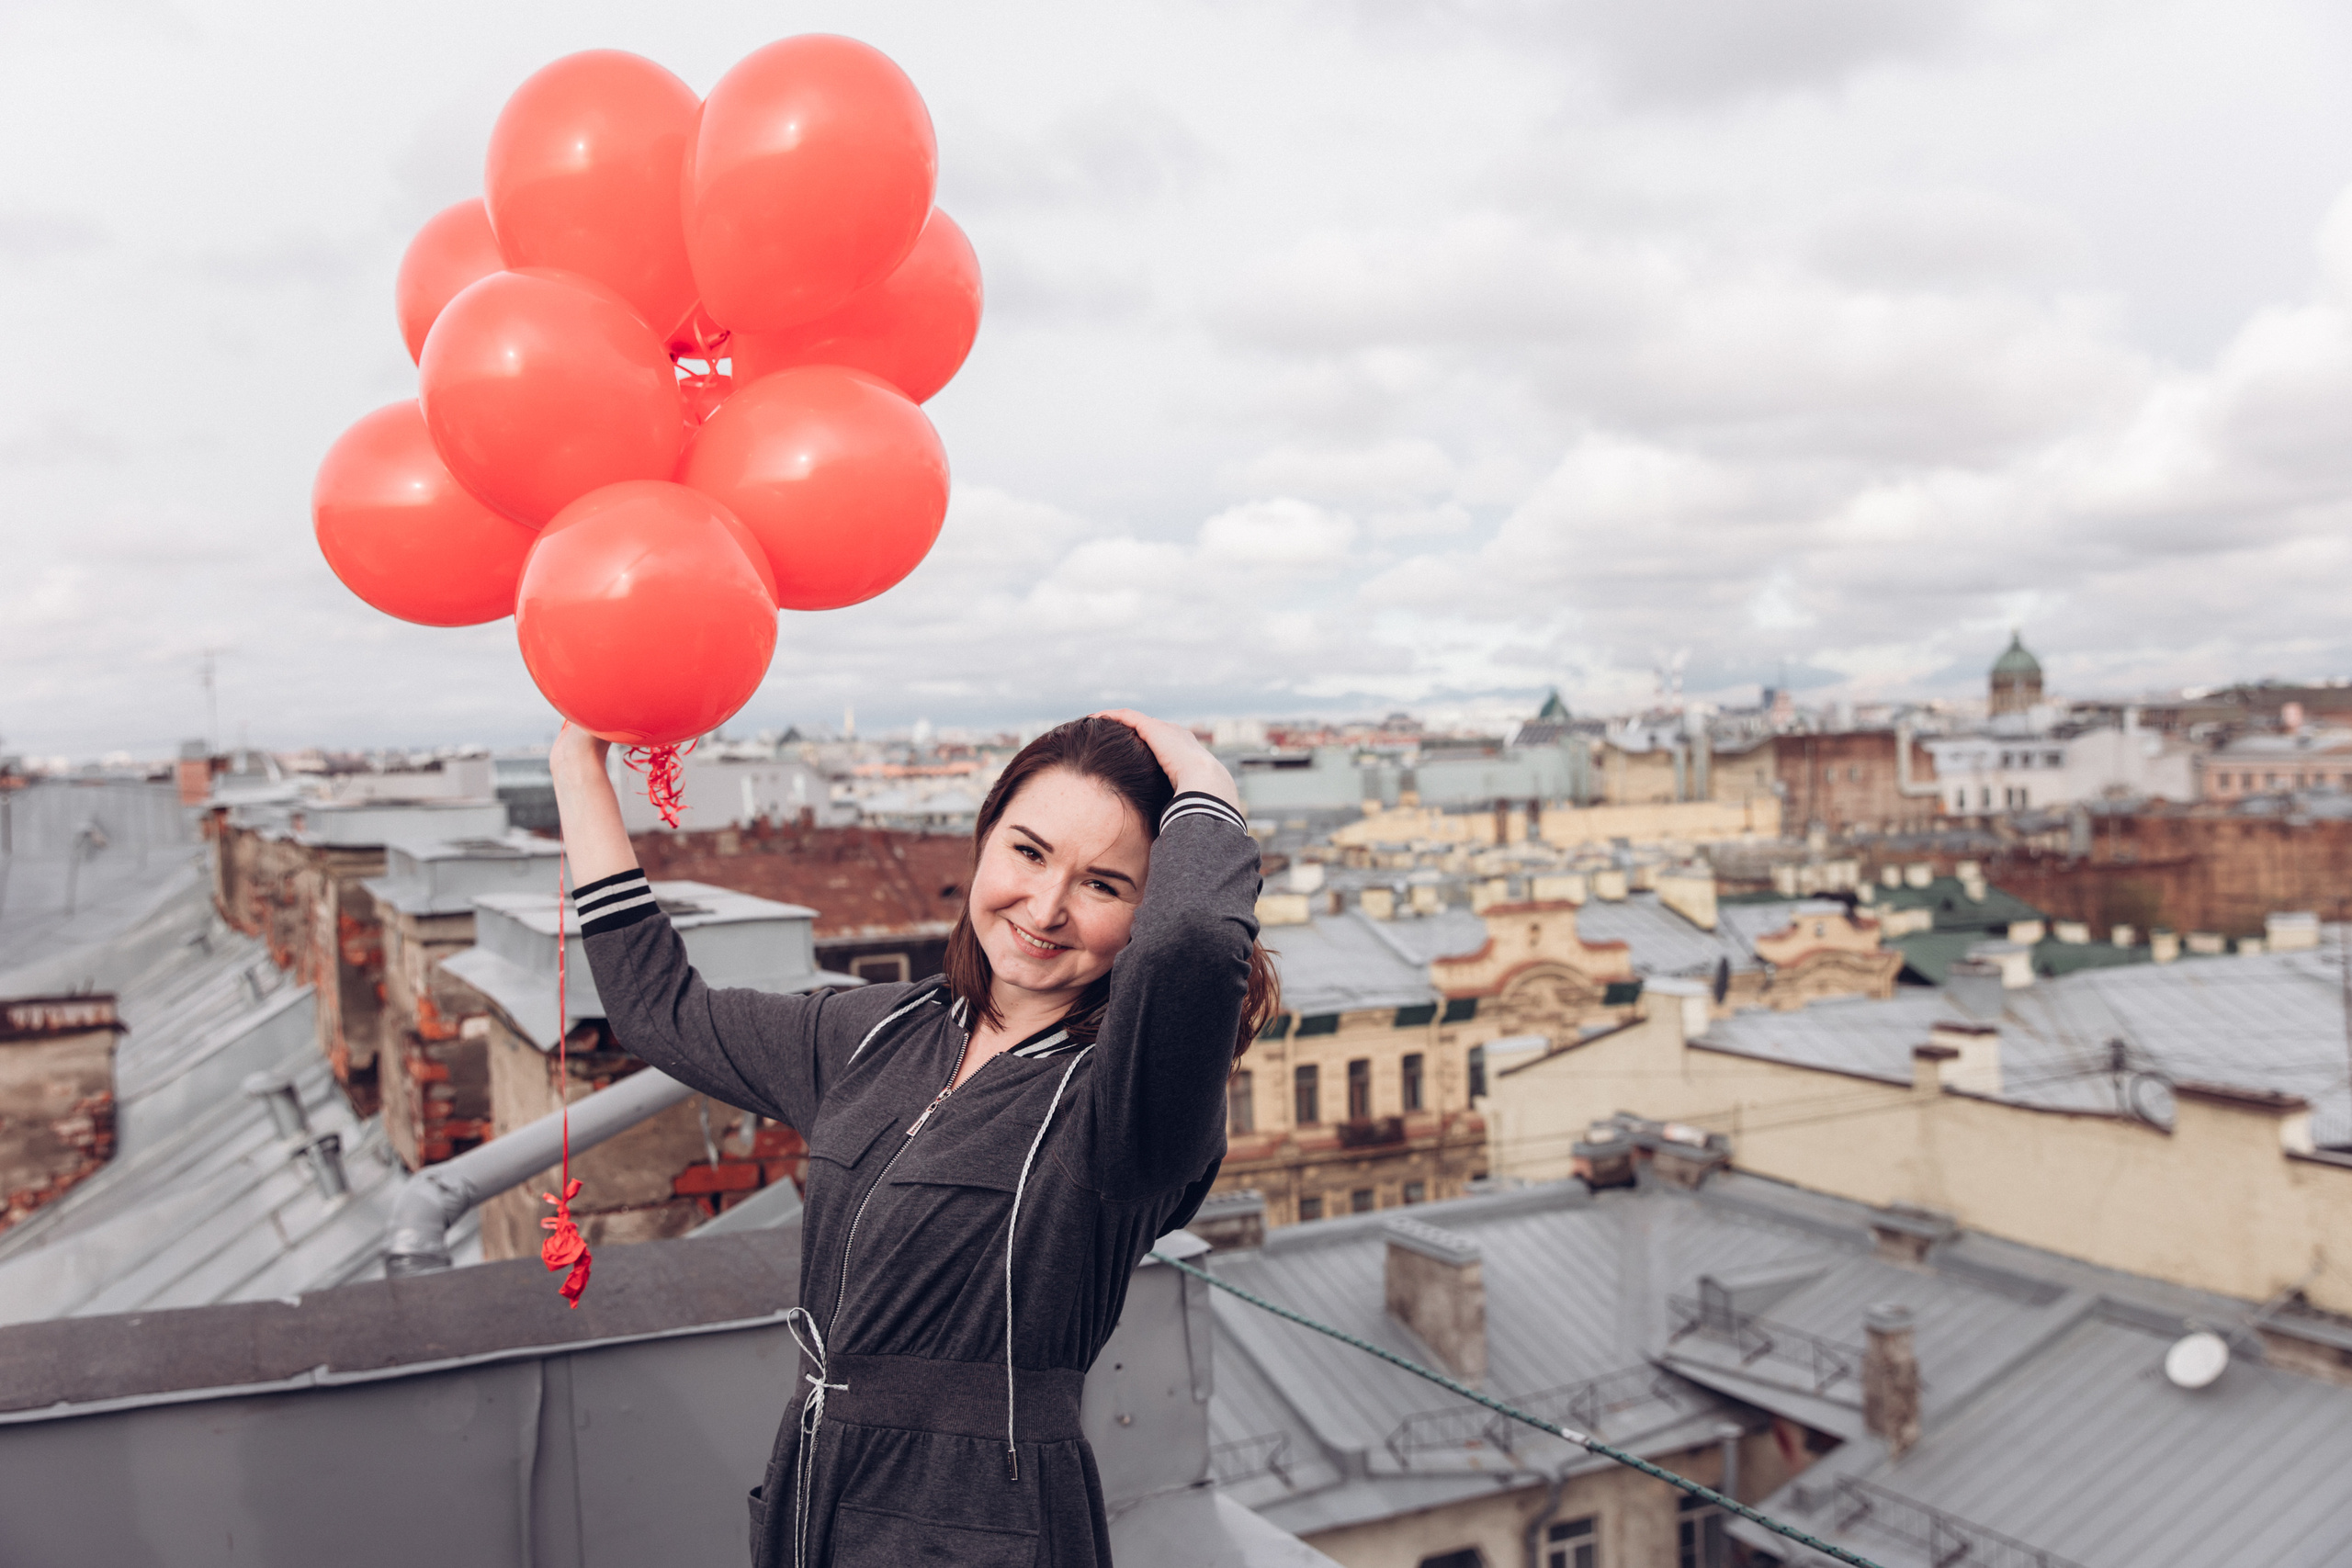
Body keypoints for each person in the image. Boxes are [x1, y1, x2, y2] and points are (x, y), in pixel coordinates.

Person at [548, 710, 1278, 1568]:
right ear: (983, 841)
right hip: (815, 1501)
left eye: (1105, 886)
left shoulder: (1132, 1099)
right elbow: (661, 1012)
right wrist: (578, 761)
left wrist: (1205, 783)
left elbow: (1193, 943)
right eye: (1029, 852)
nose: (1045, 908)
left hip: (986, 1525)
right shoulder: (877, 1032)